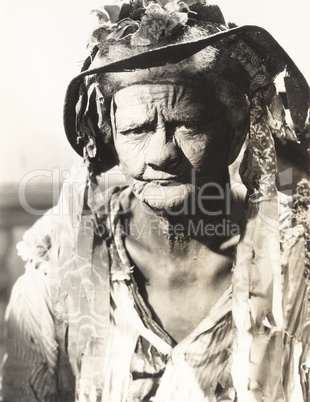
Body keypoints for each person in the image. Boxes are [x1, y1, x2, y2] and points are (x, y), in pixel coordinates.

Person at [2, 1, 310, 401]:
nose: (163, 153)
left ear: (234, 132)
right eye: (137, 129)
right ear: (110, 134)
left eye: (190, 123)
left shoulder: (295, 269)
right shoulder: (59, 270)